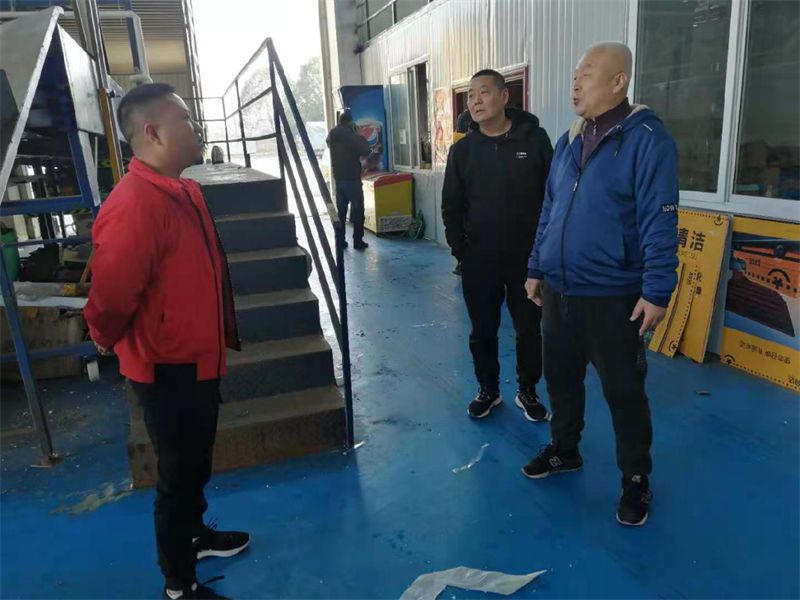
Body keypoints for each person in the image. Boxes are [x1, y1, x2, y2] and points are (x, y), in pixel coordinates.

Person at [85, 83, 249, 600]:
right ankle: (179, 584)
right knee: (177, 476)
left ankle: (195, 536)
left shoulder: (183, 190)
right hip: (166, 366)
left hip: (196, 358)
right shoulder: (134, 204)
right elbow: (111, 294)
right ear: (153, 133)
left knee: (195, 462)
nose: (196, 127)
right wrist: (103, 336)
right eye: (186, 119)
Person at [523, 42, 679, 527]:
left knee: (624, 392)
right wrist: (536, 267)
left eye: (587, 74)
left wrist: (657, 290)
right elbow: (549, 210)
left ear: (618, 81)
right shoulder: (570, 141)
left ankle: (636, 478)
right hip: (559, 291)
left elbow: (660, 219)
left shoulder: (647, 139)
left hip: (613, 296)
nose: (575, 84)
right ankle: (564, 449)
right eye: (575, 75)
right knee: (560, 381)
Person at [442, 69, 553, 421]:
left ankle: (528, 390)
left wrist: (543, 254)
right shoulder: (462, 150)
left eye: (484, 92)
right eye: (471, 95)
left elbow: (553, 198)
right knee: (482, 330)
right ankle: (488, 390)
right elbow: (451, 206)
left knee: (528, 329)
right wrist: (462, 251)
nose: (475, 101)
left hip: (527, 261)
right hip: (479, 260)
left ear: (505, 97)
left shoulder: (534, 141)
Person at [326, 111, 372, 250]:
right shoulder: (352, 136)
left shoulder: (332, 134)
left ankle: (340, 241)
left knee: (341, 213)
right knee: (358, 211)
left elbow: (329, 144)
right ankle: (357, 241)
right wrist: (358, 135)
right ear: (350, 123)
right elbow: (366, 150)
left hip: (339, 179)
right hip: (352, 179)